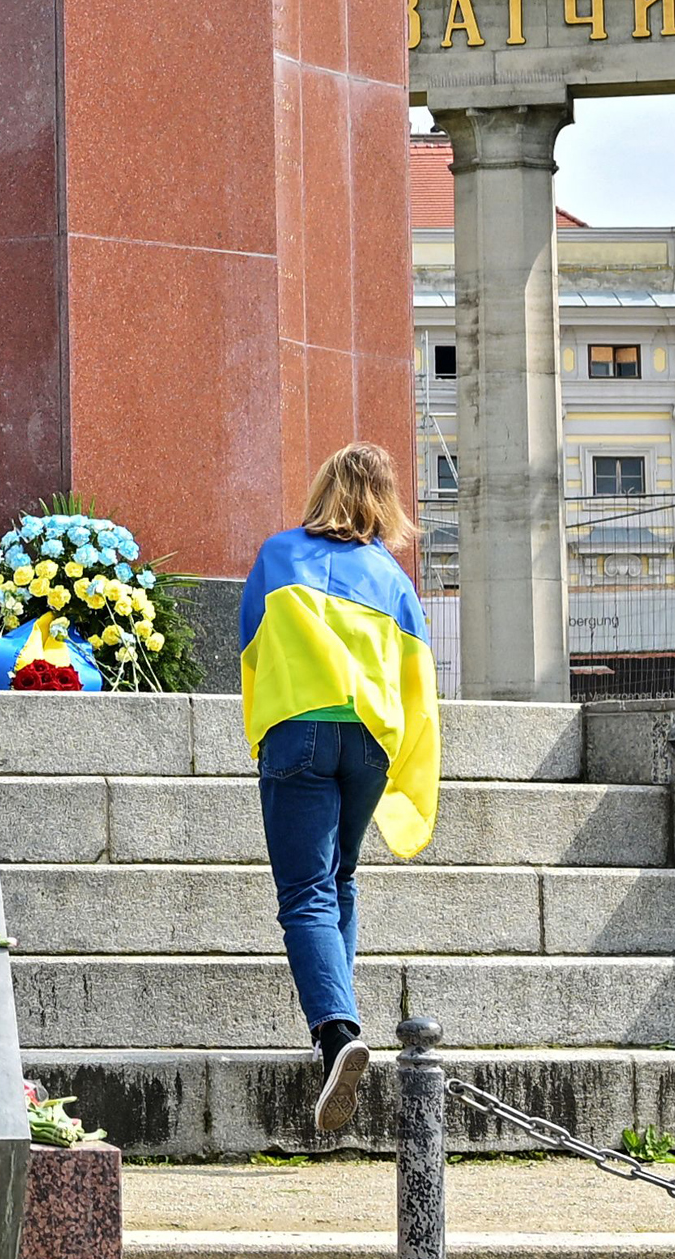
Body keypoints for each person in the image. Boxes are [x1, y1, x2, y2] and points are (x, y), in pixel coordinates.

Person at [239, 443, 444, 1136]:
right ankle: (341, 1024)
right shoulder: (392, 577)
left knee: (305, 893)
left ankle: (335, 1034)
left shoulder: (277, 554)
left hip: (300, 729)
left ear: (322, 487)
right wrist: (408, 765)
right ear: (386, 503)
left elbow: (251, 648)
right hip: (370, 741)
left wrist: (264, 732)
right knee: (342, 877)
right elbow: (420, 687)